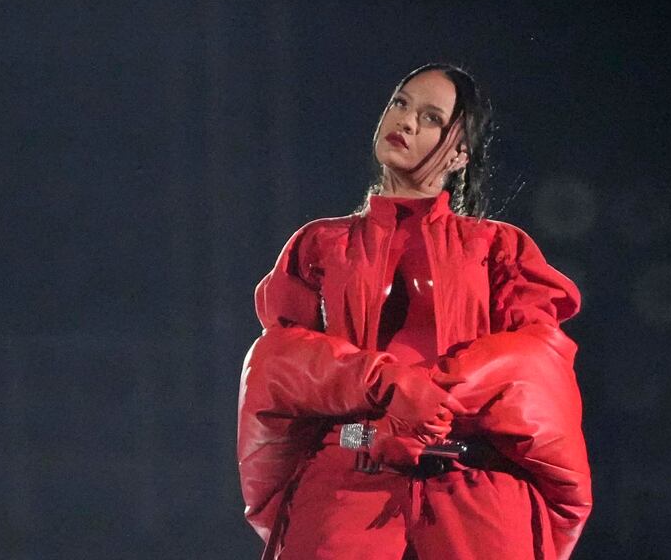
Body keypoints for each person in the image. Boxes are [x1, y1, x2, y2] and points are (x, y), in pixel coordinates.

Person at [238, 64, 592, 560]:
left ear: (460, 153)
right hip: (347, 485)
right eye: (400, 104)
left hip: (476, 490)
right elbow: (280, 362)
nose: (404, 122)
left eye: (430, 118)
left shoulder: (500, 251)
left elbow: (537, 364)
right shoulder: (319, 246)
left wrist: (434, 397)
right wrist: (384, 388)